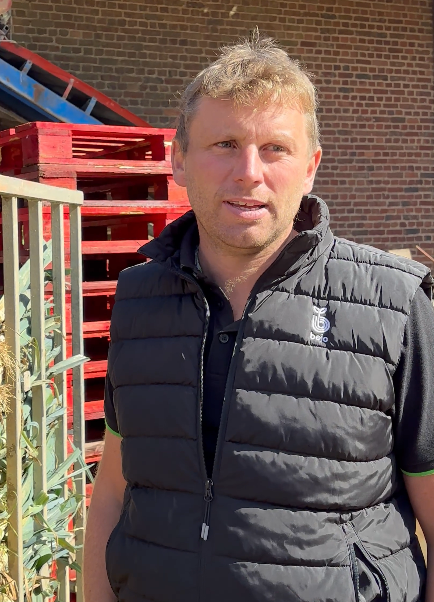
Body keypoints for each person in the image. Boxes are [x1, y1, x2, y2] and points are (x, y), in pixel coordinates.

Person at [83, 36, 434, 602]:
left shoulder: (395, 304)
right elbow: (114, 492)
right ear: (179, 159)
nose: (249, 172)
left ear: (310, 167)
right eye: (225, 144)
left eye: (275, 148)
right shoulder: (139, 298)